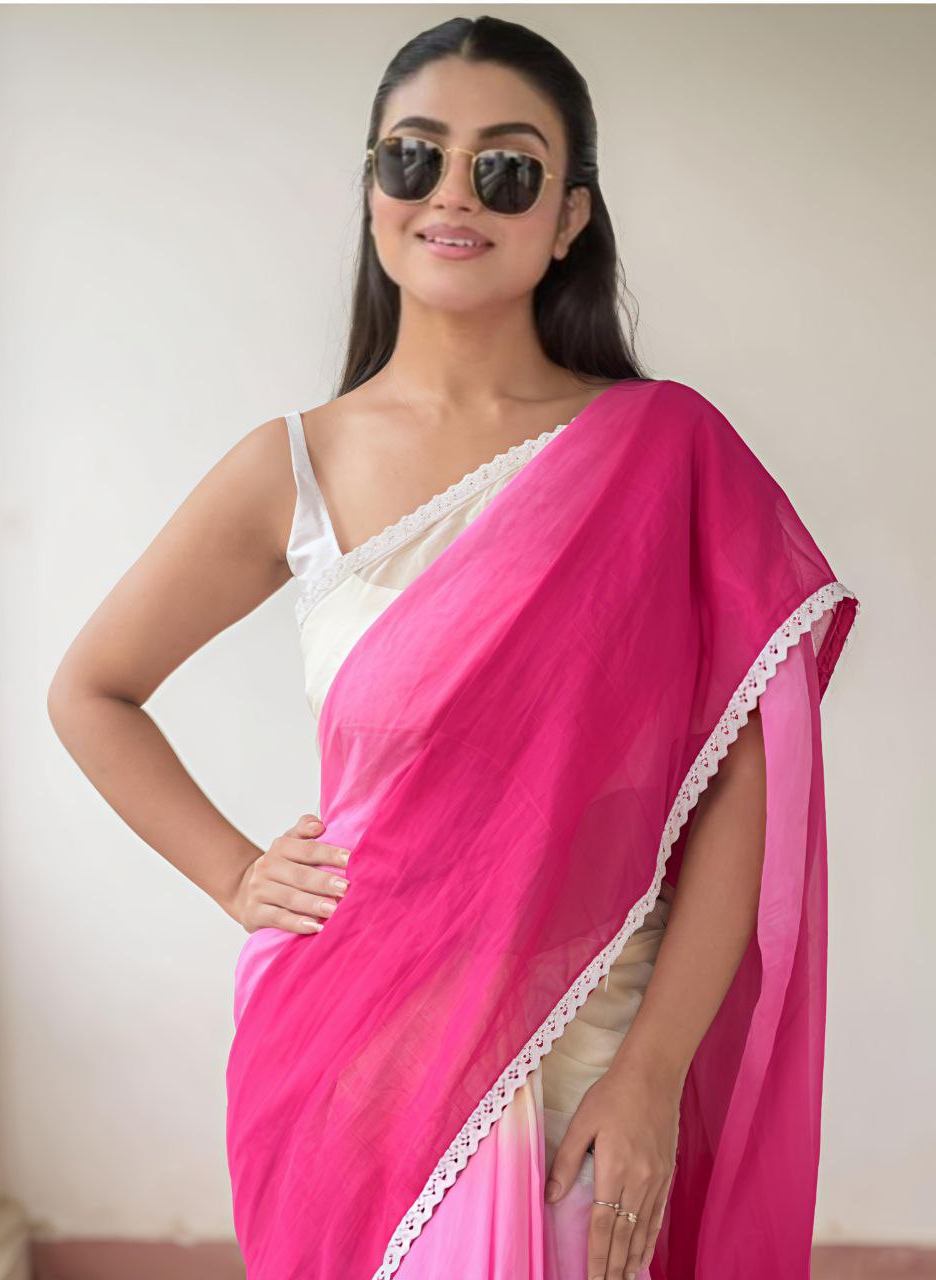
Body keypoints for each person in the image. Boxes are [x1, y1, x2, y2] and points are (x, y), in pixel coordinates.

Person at [47, 16, 860, 1280]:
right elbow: (92, 690)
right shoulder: (292, 466)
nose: (451, 194)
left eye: (506, 167)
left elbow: (735, 791)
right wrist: (236, 872)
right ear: (374, 186)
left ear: (569, 215)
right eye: (413, 156)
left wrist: (651, 1073)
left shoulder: (665, 455)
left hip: (590, 1038)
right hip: (353, 1044)